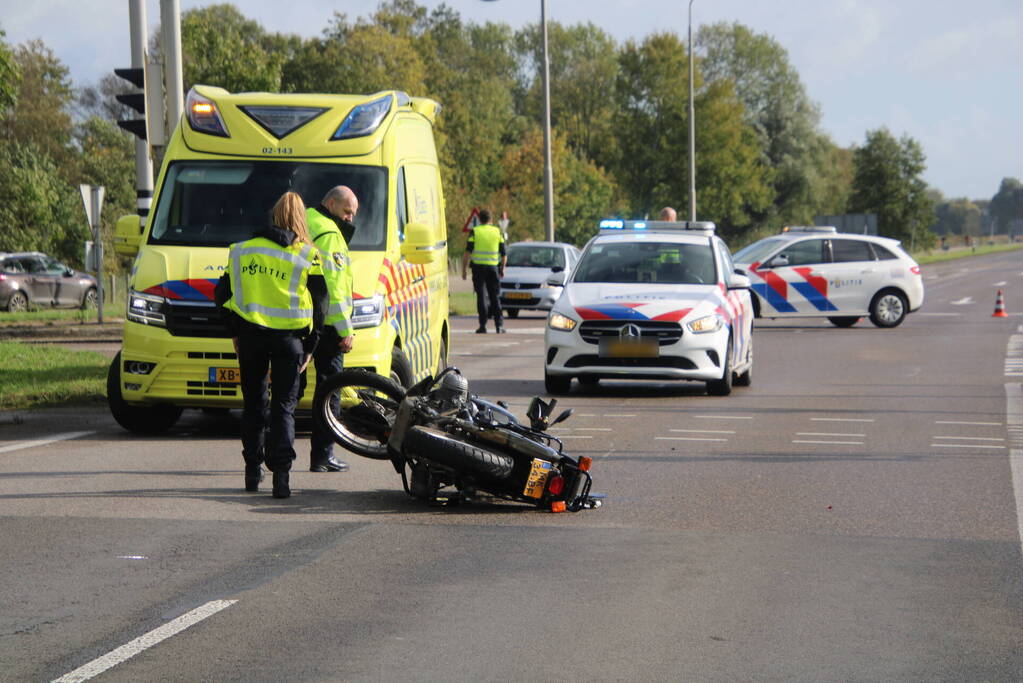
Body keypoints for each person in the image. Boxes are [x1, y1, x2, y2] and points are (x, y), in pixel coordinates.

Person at [215, 191, 328, 499]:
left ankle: (252, 472)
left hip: (251, 338)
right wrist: (311, 346)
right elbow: (320, 306)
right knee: (283, 408)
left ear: (273, 216)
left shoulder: (242, 250)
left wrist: (234, 332)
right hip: (289, 341)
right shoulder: (308, 254)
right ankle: (282, 478)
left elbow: (221, 294)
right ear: (301, 219)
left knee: (253, 405)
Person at [304, 186, 357, 473]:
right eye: (347, 211)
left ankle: (274, 458)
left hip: (299, 320)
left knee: (287, 395)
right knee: (330, 390)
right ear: (331, 202)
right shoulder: (330, 233)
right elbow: (334, 288)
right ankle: (323, 455)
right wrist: (345, 329)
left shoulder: (306, 219)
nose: (349, 219)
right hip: (327, 325)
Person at [461, 208, 507, 333]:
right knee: (495, 296)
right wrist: (502, 268)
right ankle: (499, 325)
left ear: (479, 219)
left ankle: (483, 325)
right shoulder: (497, 232)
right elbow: (503, 254)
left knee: (481, 296)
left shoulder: (475, 232)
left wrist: (464, 269)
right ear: (491, 219)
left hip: (478, 268)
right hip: (493, 268)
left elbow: (467, 252)